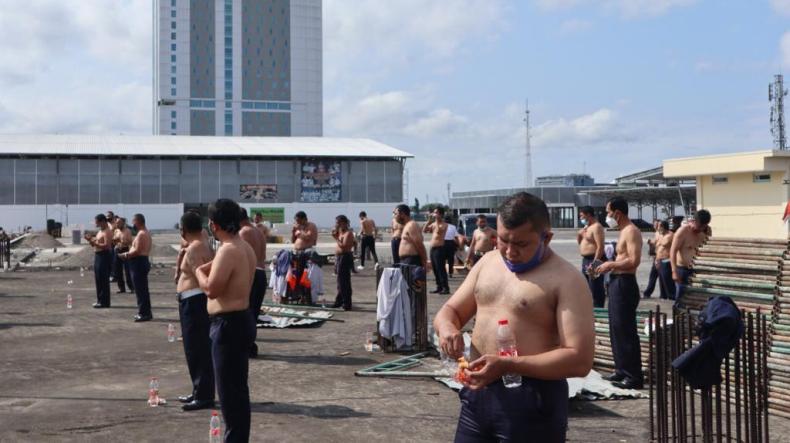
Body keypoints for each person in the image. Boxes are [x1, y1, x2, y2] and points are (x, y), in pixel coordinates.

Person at [434, 192, 594, 442]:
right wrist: (447, 329)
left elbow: (579, 359)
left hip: (531, 401)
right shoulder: (488, 262)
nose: (510, 252)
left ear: (546, 238)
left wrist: (509, 365)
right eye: (502, 240)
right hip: (477, 397)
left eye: (521, 244)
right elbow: (450, 311)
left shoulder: (566, 280)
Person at [196, 199, 257, 442]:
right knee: (237, 392)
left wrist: (198, 272)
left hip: (228, 325)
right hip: (240, 320)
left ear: (214, 224)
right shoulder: (243, 247)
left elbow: (212, 289)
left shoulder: (228, 250)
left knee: (230, 395)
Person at [595, 197, 644, 389]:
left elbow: (634, 260)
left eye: (608, 212)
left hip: (625, 282)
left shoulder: (631, 231)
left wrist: (611, 264)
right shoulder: (623, 231)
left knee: (625, 330)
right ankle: (621, 369)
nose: (607, 216)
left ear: (617, 213)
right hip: (616, 282)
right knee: (616, 329)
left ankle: (633, 376)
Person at [175, 211, 216, 412]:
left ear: (183, 229)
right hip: (192, 301)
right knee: (195, 349)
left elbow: (203, 276)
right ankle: (198, 389)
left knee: (197, 349)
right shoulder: (202, 242)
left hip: (195, 302)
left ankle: (203, 395)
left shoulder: (195, 247)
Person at [239, 208, 267, 358]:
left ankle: (247, 345)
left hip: (252, 273)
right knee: (253, 314)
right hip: (261, 273)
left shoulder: (244, 232)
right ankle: (250, 345)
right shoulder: (258, 231)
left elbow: (241, 257)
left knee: (246, 312)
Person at [670, 209, 712, 302]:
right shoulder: (683, 231)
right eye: (699, 226)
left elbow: (707, 249)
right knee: (681, 297)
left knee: (697, 297)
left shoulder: (705, 232)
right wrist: (674, 271)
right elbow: (673, 251)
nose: (700, 229)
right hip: (682, 270)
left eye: (704, 226)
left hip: (697, 270)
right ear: (694, 221)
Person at [120, 214, 153, 322]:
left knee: (140, 290)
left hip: (139, 262)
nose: (132, 223)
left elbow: (137, 251)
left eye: (134, 221)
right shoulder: (145, 233)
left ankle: (143, 313)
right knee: (142, 289)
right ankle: (146, 312)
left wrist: (126, 255)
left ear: (138, 221)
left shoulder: (142, 234)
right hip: (141, 261)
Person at [577, 206, 606, 308]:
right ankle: (589, 308)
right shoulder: (587, 227)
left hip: (594, 258)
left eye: (582, 216)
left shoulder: (597, 227)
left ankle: (598, 308)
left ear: (588, 215)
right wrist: (580, 235)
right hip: (585, 260)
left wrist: (595, 263)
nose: (580, 218)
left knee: (595, 288)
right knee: (586, 287)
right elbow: (581, 242)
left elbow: (600, 247)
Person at [85, 214, 113, 308]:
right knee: (98, 279)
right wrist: (90, 240)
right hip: (98, 255)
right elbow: (95, 244)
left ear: (103, 221)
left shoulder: (107, 231)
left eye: (97, 222)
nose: (96, 224)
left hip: (104, 256)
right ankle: (100, 300)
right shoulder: (100, 231)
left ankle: (105, 302)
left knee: (103, 279)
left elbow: (107, 246)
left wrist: (94, 243)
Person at [423, 207, 449, 294]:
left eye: (436, 213)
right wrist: (428, 221)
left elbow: (438, 231)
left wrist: (436, 220)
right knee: (435, 268)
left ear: (441, 214)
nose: (434, 214)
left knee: (440, 268)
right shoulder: (433, 224)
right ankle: (439, 286)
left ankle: (445, 287)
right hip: (433, 248)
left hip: (440, 249)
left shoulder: (444, 225)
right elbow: (424, 230)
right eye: (434, 212)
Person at [332, 215, 355, 310]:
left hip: (344, 257)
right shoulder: (340, 232)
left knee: (344, 281)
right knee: (339, 281)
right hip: (339, 257)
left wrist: (336, 238)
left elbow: (344, 247)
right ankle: (339, 301)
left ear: (343, 223)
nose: (336, 224)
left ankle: (346, 303)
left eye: (338, 223)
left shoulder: (348, 233)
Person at [112, 217, 135, 294]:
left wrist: (121, 241)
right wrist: (115, 241)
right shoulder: (116, 231)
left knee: (127, 270)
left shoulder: (127, 231)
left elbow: (130, 242)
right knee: (118, 270)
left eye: (119, 222)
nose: (117, 224)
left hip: (125, 250)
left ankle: (131, 287)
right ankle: (121, 288)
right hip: (117, 250)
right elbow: (114, 241)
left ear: (123, 223)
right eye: (116, 223)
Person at [654, 220, 675, 300]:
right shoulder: (661, 235)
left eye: (660, 226)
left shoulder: (670, 235)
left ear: (664, 227)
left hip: (666, 260)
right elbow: (657, 245)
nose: (658, 228)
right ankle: (663, 295)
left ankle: (671, 296)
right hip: (659, 259)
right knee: (661, 279)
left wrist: (659, 240)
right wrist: (656, 260)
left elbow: (664, 243)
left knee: (667, 279)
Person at [642, 220, 661, 298]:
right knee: (653, 276)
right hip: (656, 258)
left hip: (659, 258)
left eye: (657, 225)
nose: (655, 226)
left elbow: (658, 246)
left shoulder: (660, 234)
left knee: (657, 277)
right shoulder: (656, 233)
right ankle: (647, 292)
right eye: (654, 225)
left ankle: (649, 292)